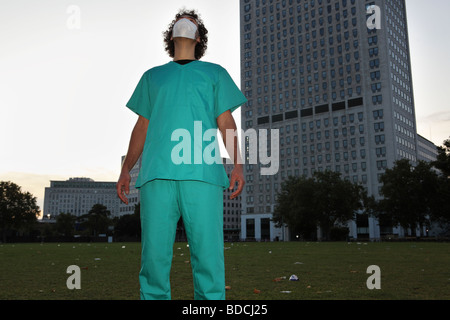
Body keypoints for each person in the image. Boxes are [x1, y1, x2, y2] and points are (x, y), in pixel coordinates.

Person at [116, 9, 247, 300]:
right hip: (156, 176)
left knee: (208, 257)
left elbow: (225, 122)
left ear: (198, 36)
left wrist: (238, 164)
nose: (185, 19)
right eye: (180, 18)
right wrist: (126, 169)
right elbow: (142, 126)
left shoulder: (215, 73)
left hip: (203, 175)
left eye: (192, 19)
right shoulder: (152, 77)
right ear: (171, 34)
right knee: (153, 260)